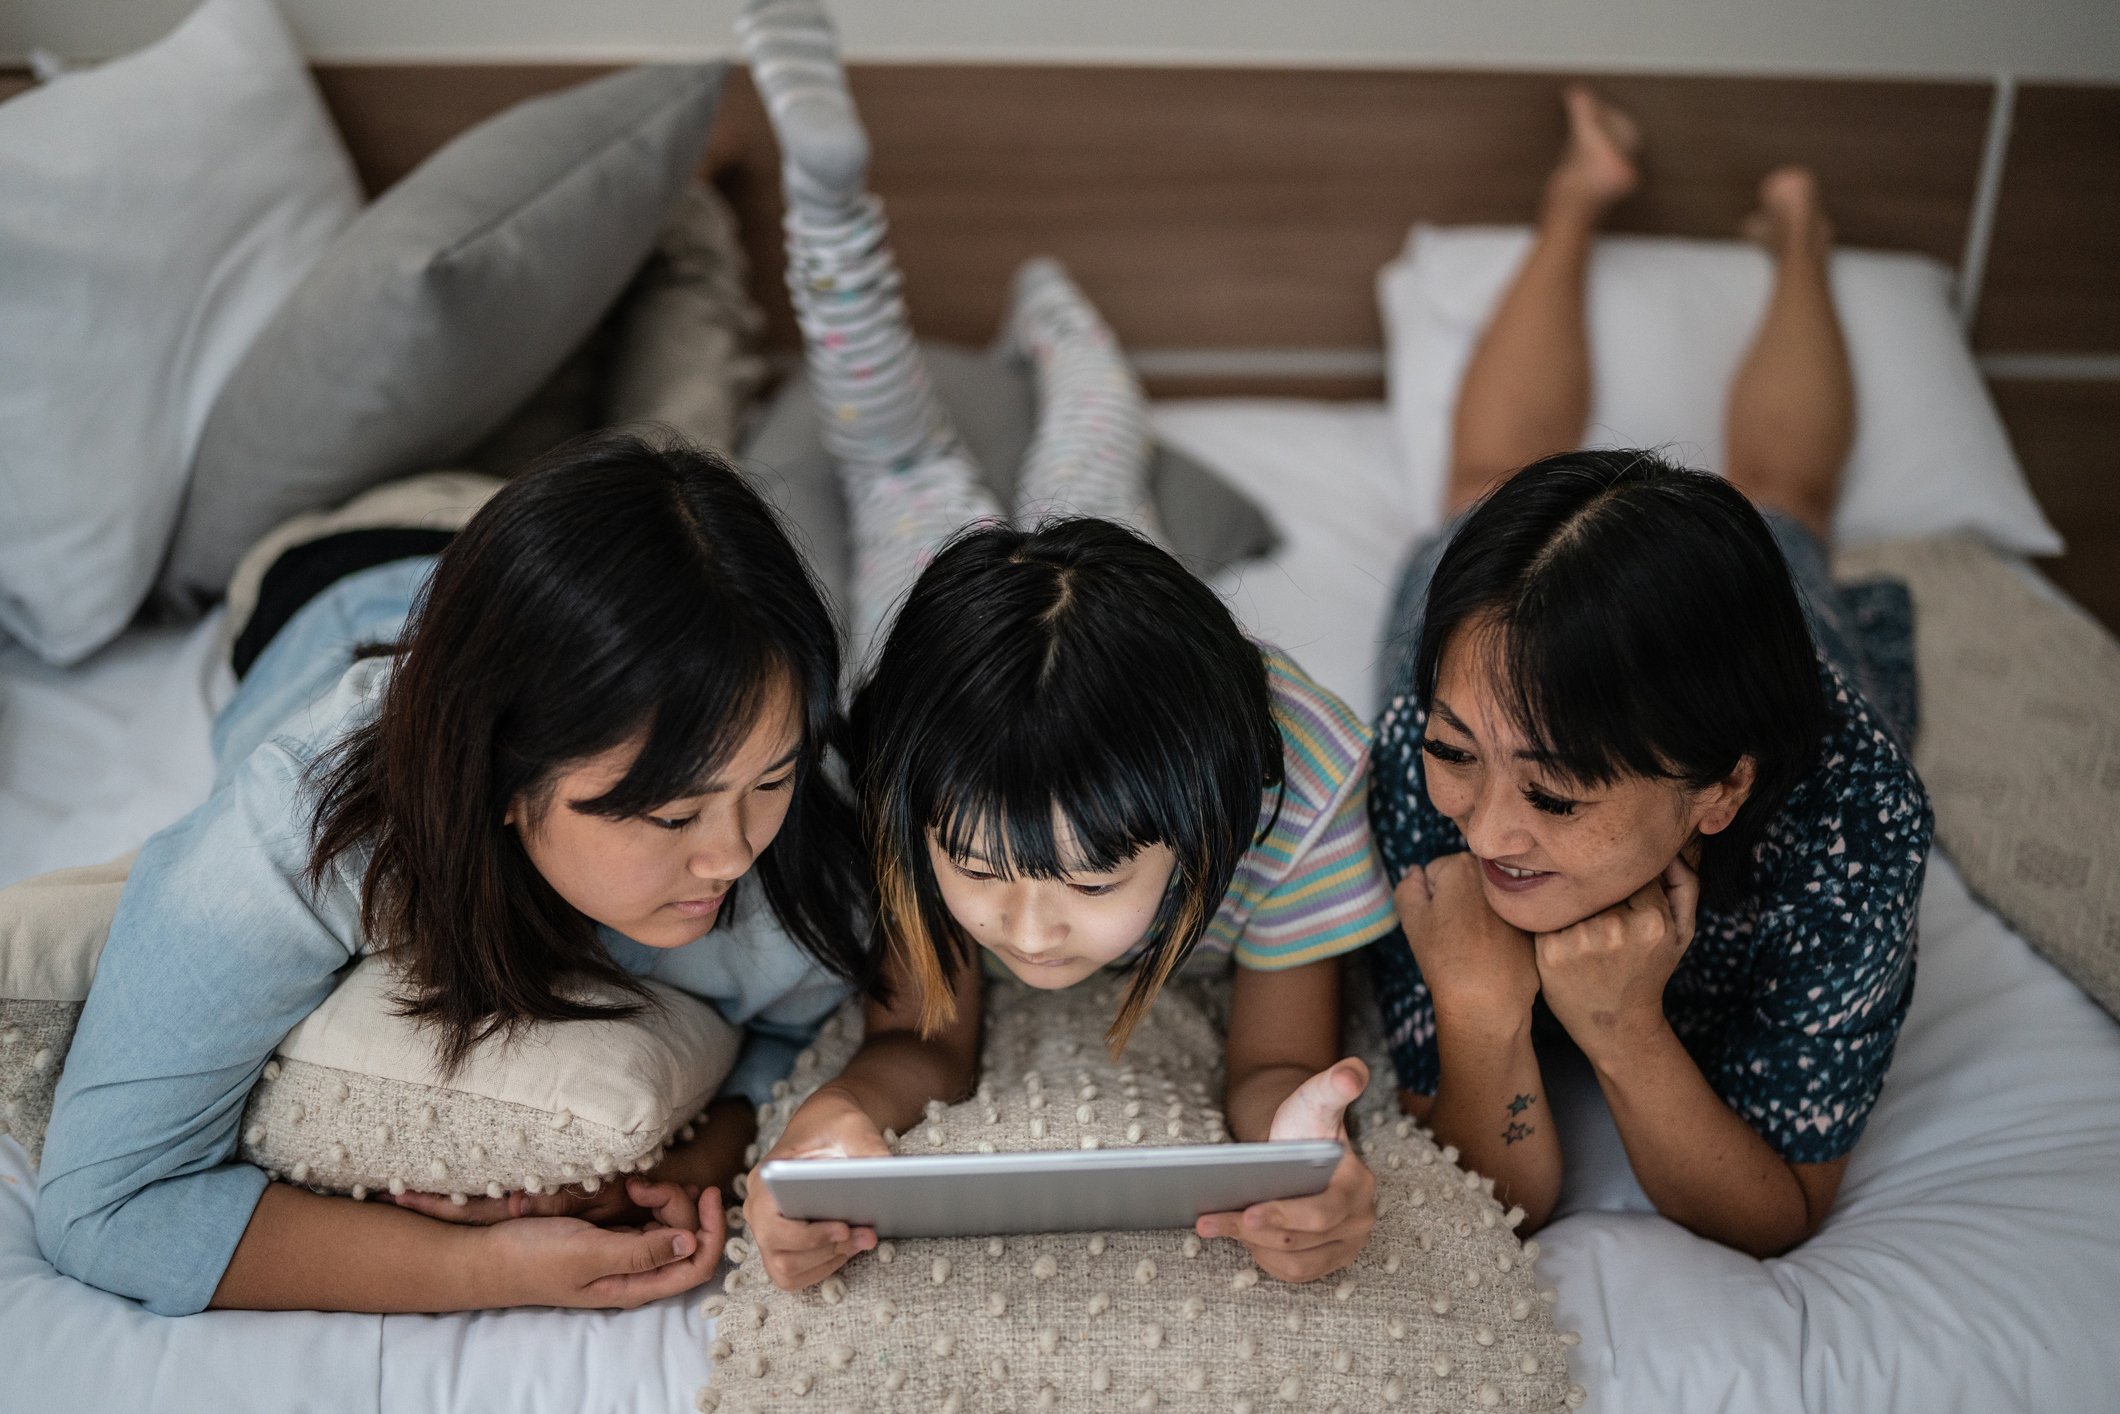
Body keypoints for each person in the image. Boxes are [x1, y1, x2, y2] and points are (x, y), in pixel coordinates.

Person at [731, 0, 1400, 1289]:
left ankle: (1062, 321)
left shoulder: (1302, 786)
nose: (1025, 934)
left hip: (1109, 603)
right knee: (891, 446)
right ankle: (829, 204)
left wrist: (1302, 1153)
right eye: (977, 871)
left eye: (1092, 883)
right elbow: (923, 1042)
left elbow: (1269, 1065)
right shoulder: (904, 771)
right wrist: (837, 1121)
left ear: (1209, 820)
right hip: (935, 596)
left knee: (1094, 440)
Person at [36, 434, 871, 1315]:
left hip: (582, 565)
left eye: (770, 780)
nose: (732, 855)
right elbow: (102, 1207)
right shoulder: (305, 825)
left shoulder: (797, 829)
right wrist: (488, 1270)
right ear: (502, 780)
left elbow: (819, 1020)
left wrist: (709, 1152)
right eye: (671, 817)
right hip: (354, 564)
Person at [1366, 87, 1934, 1257]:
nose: (1484, 835)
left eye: (1556, 794)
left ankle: (1799, 244)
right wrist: (1478, 1013)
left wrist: (1622, 1029)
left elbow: (1774, 1213)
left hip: (1762, 638)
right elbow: (1502, 1202)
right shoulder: (1415, 759)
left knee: (1784, 506)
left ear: (1716, 793)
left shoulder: (1848, 827)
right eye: (1456, 756)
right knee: (1483, 483)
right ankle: (1574, 203)